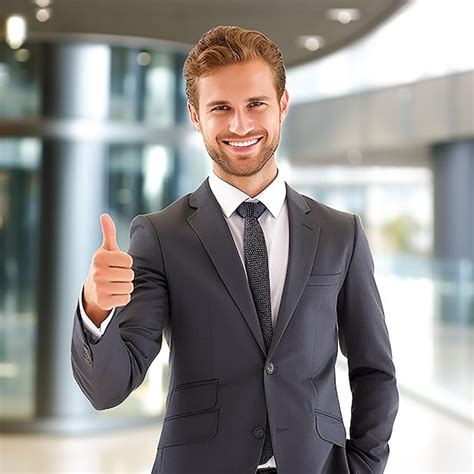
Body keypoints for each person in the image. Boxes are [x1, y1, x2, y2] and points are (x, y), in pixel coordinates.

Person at [71, 25, 399, 474]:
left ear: (282, 104)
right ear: (194, 114)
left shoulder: (341, 233)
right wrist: (95, 308)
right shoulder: (161, 235)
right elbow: (109, 388)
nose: (240, 125)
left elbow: (374, 369)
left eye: (256, 104)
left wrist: (363, 465)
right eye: (220, 107)